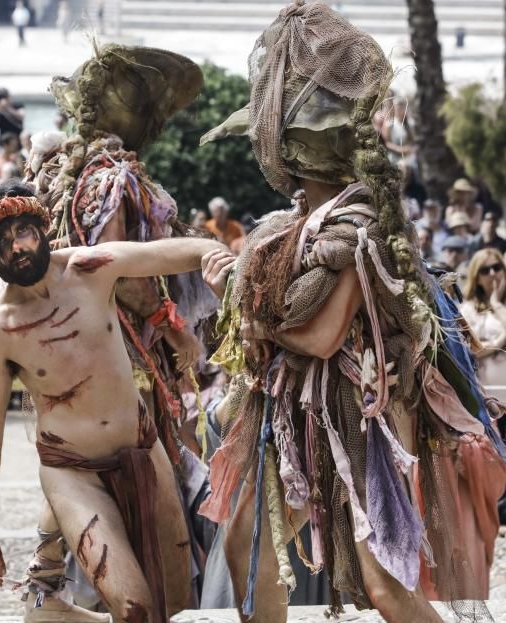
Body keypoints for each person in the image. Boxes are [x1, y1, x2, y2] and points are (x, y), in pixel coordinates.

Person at [199, 4, 506, 621]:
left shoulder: (357, 226)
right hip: (291, 408)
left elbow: (321, 337)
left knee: (386, 583)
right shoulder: (292, 231)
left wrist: (252, 309)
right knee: (242, 536)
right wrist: (236, 284)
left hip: (356, 418)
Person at [0, 183, 229, 622]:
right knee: (135, 609)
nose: (18, 247)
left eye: (24, 232)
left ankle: (48, 616)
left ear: (42, 228)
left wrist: (216, 255)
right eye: (3, 243)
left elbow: (165, 254)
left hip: (144, 450)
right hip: (72, 474)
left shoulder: (90, 267)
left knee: (179, 605)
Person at [461, 249, 506, 403]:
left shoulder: (501, 306)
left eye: (497, 267)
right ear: (477, 277)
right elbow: (471, 349)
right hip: (488, 398)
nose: (493, 273)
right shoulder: (468, 310)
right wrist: (500, 342)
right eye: (485, 270)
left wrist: (496, 304)